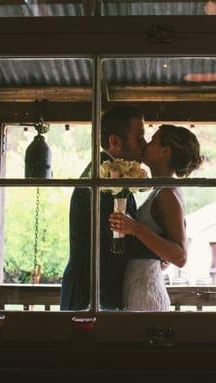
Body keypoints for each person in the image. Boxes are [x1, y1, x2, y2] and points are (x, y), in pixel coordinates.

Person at [60, 105, 146, 311]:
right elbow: (115, 236)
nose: (144, 145)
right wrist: (159, 251)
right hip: (91, 293)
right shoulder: (101, 177)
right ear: (115, 141)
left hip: (98, 290)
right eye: (139, 138)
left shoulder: (109, 171)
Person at [109, 125, 203, 311]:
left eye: (152, 141)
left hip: (145, 295)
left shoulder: (166, 193)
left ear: (165, 151)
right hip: (139, 285)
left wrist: (135, 228)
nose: (146, 144)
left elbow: (180, 256)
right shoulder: (162, 189)